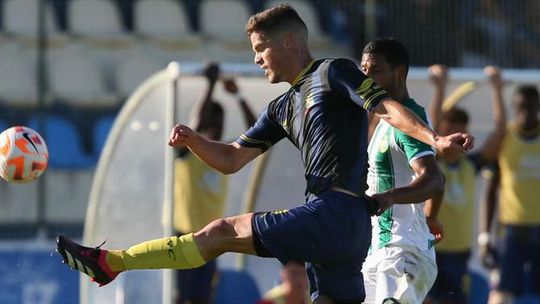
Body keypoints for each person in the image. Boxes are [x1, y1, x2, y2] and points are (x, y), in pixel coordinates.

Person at [56, 5, 473, 303]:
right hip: (344, 232)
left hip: (336, 213)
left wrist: (434, 139)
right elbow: (232, 160)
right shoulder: (280, 107)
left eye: (260, 47)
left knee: (220, 231)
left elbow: (385, 107)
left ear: (288, 42)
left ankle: (113, 262)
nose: (255, 58)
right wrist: (194, 141)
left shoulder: (334, 72)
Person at [359, 38, 444, 304]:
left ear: (400, 72)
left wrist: (391, 197)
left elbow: (433, 178)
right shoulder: (385, 119)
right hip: (383, 250)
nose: (367, 78)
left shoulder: (407, 120)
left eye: (376, 70)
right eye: (364, 70)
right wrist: (430, 218)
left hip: (402, 254)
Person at [173, 62, 257, 304]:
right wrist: (209, 86)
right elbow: (194, 128)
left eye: (220, 120)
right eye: (213, 119)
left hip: (212, 235)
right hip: (184, 235)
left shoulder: (223, 152)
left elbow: (257, 132)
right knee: (182, 297)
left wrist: (239, 95)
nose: (217, 126)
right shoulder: (186, 150)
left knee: (203, 298)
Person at [425, 64, 506, 304]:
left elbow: (500, 132)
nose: (455, 138)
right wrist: (440, 88)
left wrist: (497, 89)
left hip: (459, 253)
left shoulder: (472, 165)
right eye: (450, 131)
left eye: (460, 132)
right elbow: (428, 129)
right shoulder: (430, 162)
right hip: (430, 250)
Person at [479, 84, 540, 304]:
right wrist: (485, 236)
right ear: (514, 107)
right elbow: (490, 190)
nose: (526, 111)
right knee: (502, 293)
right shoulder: (505, 138)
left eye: (531, 106)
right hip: (510, 230)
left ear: (538, 106)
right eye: (521, 106)